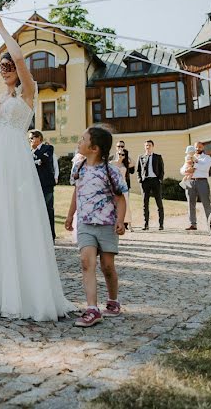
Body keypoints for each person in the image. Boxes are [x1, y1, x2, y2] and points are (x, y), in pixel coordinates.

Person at [0, 15, 74, 321]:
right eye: (2, 66)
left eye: (9, 65)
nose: (6, 67)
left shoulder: (29, 90)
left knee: (19, 216)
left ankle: (26, 292)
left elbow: (18, 56)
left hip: (15, 159)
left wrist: (0, 28)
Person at [66, 127, 128, 327]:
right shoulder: (78, 167)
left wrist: (120, 220)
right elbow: (77, 193)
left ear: (94, 148)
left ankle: (113, 300)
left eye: (83, 139)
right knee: (86, 262)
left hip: (107, 225)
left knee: (107, 267)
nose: (79, 141)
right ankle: (92, 308)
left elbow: (120, 198)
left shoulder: (111, 172)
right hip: (85, 224)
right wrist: (70, 216)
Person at [30, 130, 57, 240]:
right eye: (29, 138)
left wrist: (35, 156)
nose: (30, 140)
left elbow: (45, 159)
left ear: (39, 138)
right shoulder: (29, 151)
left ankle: (51, 236)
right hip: (33, 185)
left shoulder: (48, 148)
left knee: (48, 209)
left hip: (46, 185)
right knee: (36, 210)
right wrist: (37, 160)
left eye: (32, 138)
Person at [181, 141, 211, 231]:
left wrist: (195, 164)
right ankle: (193, 224)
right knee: (191, 204)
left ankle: (210, 224)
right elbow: (182, 170)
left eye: (199, 147)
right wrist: (187, 170)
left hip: (202, 182)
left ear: (203, 147)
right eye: (196, 147)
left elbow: (205, 168)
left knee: (206, 203)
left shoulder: (207, 158)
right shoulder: (189, 157)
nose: (197, 148)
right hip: (190, 181)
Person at [137, 140, 165, 230]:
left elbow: (162, 170)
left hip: (156, 181)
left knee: (159, 202)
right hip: (145, 181)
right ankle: (146, 224)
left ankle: (161, 224)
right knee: (145, 203)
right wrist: (140, 179)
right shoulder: (141, 157)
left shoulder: (158, 157)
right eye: (146, 145)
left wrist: (160, 179)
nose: (147, 147)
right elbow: (138, 170)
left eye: (149, 145)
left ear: (153, 146)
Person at [112, 141, 135, 230]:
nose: (121, 155)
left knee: (126, 204)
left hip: (124, 186)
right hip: (115, 186)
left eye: (122, 155)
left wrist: (126, 154)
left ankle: (129, 224)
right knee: (114, 205)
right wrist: (118, 154)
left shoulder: (125, 164)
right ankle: (115, 223)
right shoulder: (112, 163)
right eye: (120, 154)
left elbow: (133, 163)